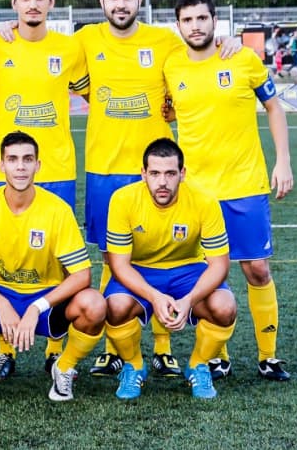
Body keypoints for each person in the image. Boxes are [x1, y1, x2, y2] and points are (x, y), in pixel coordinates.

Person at [164, 0, 293, 381]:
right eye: (188, 20)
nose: (196, 26)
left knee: (256, 268)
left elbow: (273, 106)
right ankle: (216, 355)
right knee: (209, 275)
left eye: (202, 18)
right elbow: (165, 111)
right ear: (179, 25)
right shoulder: (171, 66)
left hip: (245, 184)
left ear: (214, 21)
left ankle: (268, 356)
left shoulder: (242, 57)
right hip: (198, 192)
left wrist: (282, 160)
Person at [0, 0, 90, 379]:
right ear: (13, 4)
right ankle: (6, 348)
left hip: (57, 168)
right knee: (2, 256)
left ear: (51, 2)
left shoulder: (70, 49)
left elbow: (93, 91)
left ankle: (53, 347)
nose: (32, 4)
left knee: (61, 261)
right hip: (5, 170)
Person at [0, 131, 105, 401]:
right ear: (1, 166)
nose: (20, 166)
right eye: (12, 159)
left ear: (38, 165)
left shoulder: (57, 209)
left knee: (94, 305)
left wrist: (37, 307)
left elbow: (82, 274)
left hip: (45, 299)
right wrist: (1, 303)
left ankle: (64, 367)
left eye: (27, 159)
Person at [104, 137, 236, 400]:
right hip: (140, 270)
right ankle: (134, 365)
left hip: (187, 270)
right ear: (143, 174)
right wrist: (154, 295)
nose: (162, 182)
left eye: (170, 173)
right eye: (154, 173)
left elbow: (220, 265)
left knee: (225, 306)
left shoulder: (205, 201)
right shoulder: (122, 200)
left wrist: (188, 300)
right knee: (115, 307)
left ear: (182, 174)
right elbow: (118, 264)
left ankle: (199, 365)